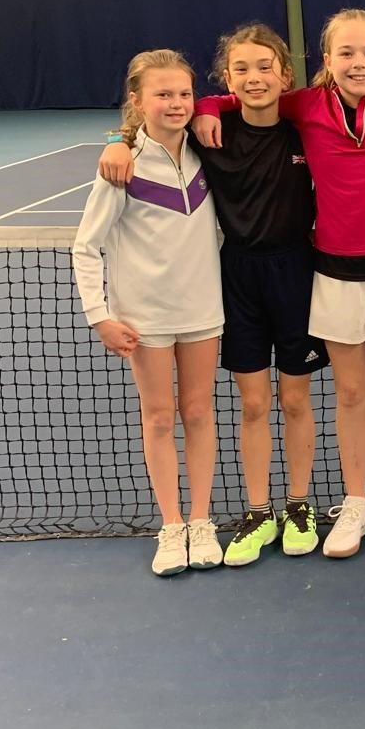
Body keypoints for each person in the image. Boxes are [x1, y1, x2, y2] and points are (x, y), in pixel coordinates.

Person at [194, 10, 365, 558]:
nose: (358, 63)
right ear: (326, 62)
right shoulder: (305, 105)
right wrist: (205, 105)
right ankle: (356, 500)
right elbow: (240, 99)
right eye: (345, 53)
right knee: (349, 393)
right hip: (333, 271)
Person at [100, 24, 326, 562]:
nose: (254, 78)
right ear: (226, 79)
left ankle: (298, 503)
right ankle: (256, 509)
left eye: (265, 67)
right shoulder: (209, 135)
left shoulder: (305, 129)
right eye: (241, 69)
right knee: (252, 403)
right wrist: (118, 139)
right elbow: (158, 126)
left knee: (294, 399)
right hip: (238, 281)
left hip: (298, 274)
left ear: (284, 75)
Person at [74, 49, 225, 577]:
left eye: (185, 93)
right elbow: (86, 246)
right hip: (147, 319)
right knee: (159, 417)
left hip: (204, 310)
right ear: (137, 102)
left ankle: (202, 521)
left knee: (200, 413)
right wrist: (100, 314)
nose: (177, 103)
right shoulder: (122, 165)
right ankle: (171, 526)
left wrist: (205, 106)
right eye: (163, 94)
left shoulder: (209, 150)